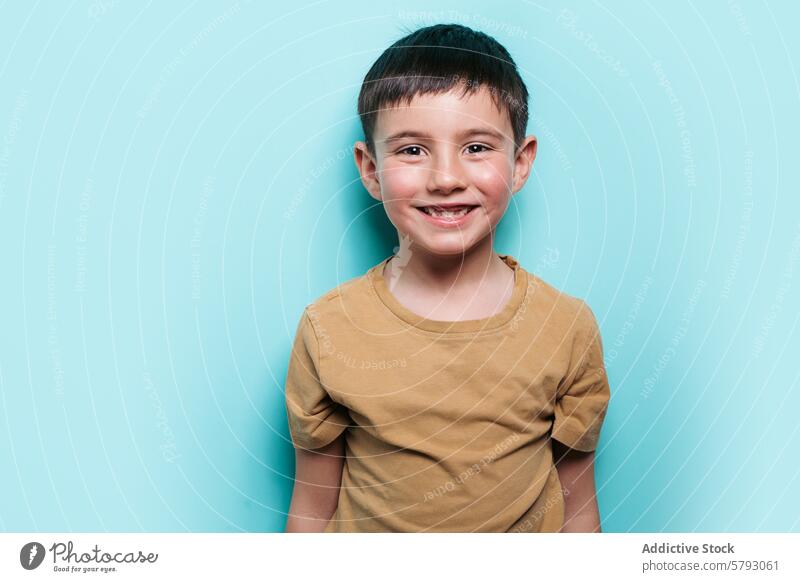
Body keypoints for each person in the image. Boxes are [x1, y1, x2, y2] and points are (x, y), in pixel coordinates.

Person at [284, 23, 610, 533]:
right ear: (370, 170)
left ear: (520, 164)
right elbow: (310, 508)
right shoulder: (327, 328)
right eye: (412, 150)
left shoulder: (566, 328)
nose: (445, 178)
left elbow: (579, 513)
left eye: (476, 148)